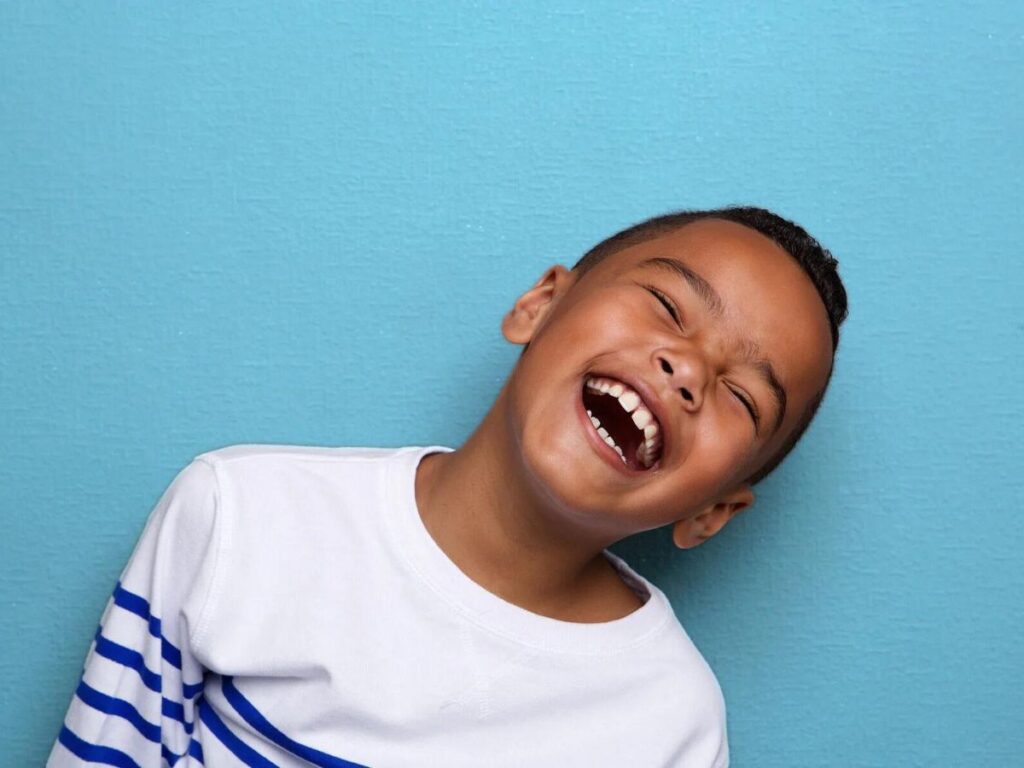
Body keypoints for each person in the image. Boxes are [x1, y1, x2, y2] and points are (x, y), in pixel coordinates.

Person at [48, 206, 848, 767]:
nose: (688, 371)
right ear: (540, 304)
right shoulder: (240, 516)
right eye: (668, 306)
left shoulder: (673, 722)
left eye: (743, 398)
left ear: (714, 513)